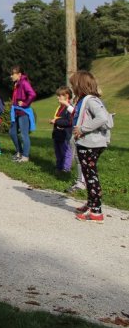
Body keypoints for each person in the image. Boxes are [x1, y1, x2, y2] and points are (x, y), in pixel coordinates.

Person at [70, 71, 111, 223]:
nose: (72, 87)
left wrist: (82, 129)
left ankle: (96, 211)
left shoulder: (90, 100)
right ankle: (91, 203)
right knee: (88, 175)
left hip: (90, 144)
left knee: (91, 176)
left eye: (73, 84)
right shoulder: (85, 99)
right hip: (88, 143)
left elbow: (102, 118)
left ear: (80, 85)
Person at [9, 66, 37, 163]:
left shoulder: (24, 83)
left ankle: (25, 156)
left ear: (19, 74)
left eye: (13, 74)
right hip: (16, 112)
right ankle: (19, 152)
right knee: (12, 133)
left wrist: (25, 103)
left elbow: (32, 94)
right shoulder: (17, 83)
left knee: (24, 135)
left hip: (23, 113)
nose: (11, 76)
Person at [50, 86, 76, 176]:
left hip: (65, 135)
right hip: (57, 134)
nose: (58, 97)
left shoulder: (69, 108)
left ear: (67, 96)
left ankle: (66, 169)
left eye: (60, 96)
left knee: (66, 151)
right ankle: (59, 167)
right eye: (57, 96)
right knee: (58, 152)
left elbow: (69, 122)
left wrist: (56, 121)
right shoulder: (60, 107)